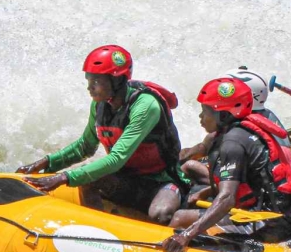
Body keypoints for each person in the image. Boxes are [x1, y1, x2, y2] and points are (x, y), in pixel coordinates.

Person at [18, 45, 186, 224]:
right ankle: (98, 228)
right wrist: (47, 162)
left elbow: (117, 158)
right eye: (88, 80)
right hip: (128, 179)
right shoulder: (100, 104)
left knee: (160, 214)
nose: (89, 88)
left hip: (162, 181)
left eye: (96, 81)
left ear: (117, 80)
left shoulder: (145, 106)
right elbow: (85, 147)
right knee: (89, 180)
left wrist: (65, 177)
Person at [164, 77, 291, 252]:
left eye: (205, 111)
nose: (200, 117)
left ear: (223, 115)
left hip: (268, 220)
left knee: (180, 218)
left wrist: (186, 235)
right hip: (268, 209)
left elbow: (227, 198)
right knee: (191, 209)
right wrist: (204, 193)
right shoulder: (238, 131)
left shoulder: (233, 142)